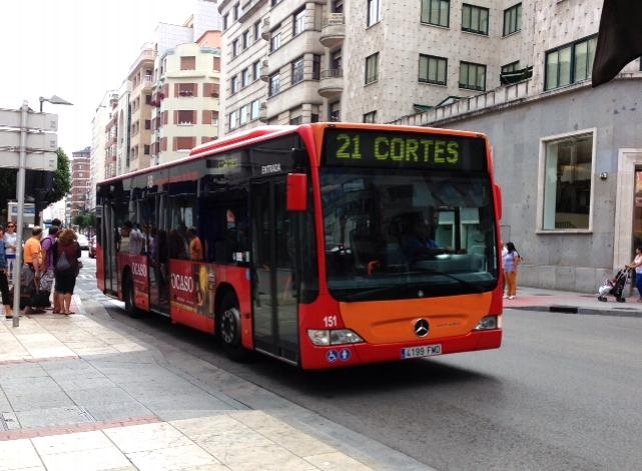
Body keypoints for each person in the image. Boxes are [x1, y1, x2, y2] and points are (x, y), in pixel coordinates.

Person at [52, 228, 82, 315]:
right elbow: (78, 255)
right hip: (71, 269)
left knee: (60, 289)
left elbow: (54, 256)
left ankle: (61, 309)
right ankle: (67, 310)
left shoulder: (57, 244)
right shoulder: (75, 244)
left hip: (59, 269)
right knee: (68, 290)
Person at [22, 226, 44, 314]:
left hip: (29, 267)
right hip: (31, 268)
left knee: (31, 287)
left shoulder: (29, 240)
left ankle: (31, 306)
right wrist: (37, 271)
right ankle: (27, 308)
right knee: (31, 288)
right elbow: (34, 258)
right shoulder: (35, 243)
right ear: (40, 234)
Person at [39, 225, 59, 310]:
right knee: (45, 285)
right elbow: (43, 252)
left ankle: (44, 302)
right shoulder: (48, 240)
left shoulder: (52, 240)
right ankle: (42, 303)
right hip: (48, 267)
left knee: (48, 285)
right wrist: (43, 265)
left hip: (50, 267)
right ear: (55, 232)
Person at [0, 226, 13, 319]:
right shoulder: (1, 242)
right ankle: (8, 312)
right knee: (5, 290)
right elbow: (1, 255)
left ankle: (8, 312)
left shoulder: (3, 242)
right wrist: (4, 267)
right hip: (0, 270)